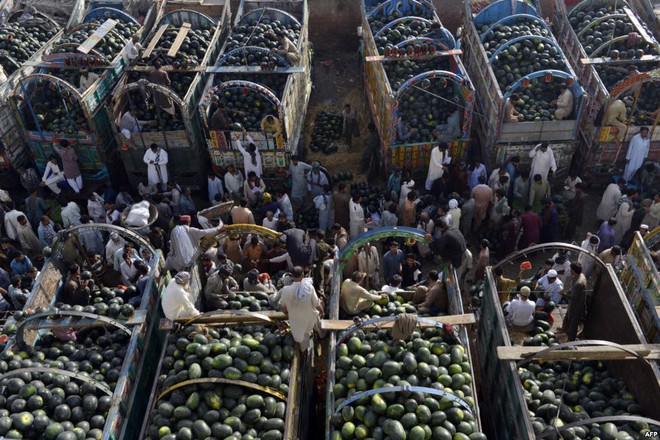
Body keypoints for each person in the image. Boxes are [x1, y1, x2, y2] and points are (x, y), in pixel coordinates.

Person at [278, 266, 324, 351]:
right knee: (317, 323)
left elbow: (282, 305)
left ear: (291, 276)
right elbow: (317, 303)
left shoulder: (286, 290)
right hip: (310, 317)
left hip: (296, 321)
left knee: (303, 338)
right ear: (302, 275)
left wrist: (287, 313)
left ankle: (304, 351)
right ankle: (322, 336)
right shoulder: (309, 287)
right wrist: (322, 311)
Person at [563, 262, 587, 341]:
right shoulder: (581, 275)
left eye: (570, 269)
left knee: (573, 322)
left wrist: (563, 294)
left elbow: (573, 298)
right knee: (567, 316)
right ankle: (564, 328)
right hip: (575, 302)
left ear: (573, 270)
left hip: (576, 305)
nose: (569, 270)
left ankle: (571, 339)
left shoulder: (578, 283)